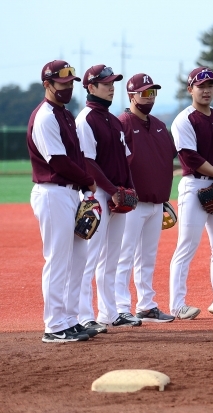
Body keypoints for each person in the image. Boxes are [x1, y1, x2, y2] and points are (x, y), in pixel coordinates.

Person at [28, 60, 99, 342]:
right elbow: (57, 160)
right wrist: (89, 182)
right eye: (62, 83)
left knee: (78, 258)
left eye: (71, 83)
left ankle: (70, 319)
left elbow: (77, 156)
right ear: (47, 84)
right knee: (58, 259)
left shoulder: (65, 115)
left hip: (70, 192)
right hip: (52, 192)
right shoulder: (45, 116)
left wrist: (84, 190)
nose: (68, 87)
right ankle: (54, 326)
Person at [170, 67, 213, 320]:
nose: (207, 89)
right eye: (201, 85)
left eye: (210, 85)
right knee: (187, 246)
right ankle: (177, 304)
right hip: (195, 186)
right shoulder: (185, 119)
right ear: (191, 89)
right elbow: (190, 157)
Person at [76, 64, 142, 329]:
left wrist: (129, 189)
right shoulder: (86, 120)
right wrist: (113, 192)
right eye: (106, 83)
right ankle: (83, 315)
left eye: (113, 83)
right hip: (97, 194)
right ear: (91, 87)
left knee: (111, 258)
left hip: (116, 193)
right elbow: (88, 162)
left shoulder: (113, 120)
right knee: (89, 258)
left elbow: (126, 161)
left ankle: (109, 312)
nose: (111, 87)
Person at [114, 73, 177, 322]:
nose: (149, 97)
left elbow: (165, 161)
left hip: (156, 202)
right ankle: (120, 307)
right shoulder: (123, 123)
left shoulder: (160, 125)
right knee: (124, 256)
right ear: (131, 96)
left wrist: (162, 196)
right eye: (144, 93)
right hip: (132, 204)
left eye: (152, 93)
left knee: (147, 257)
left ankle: (146, 305)